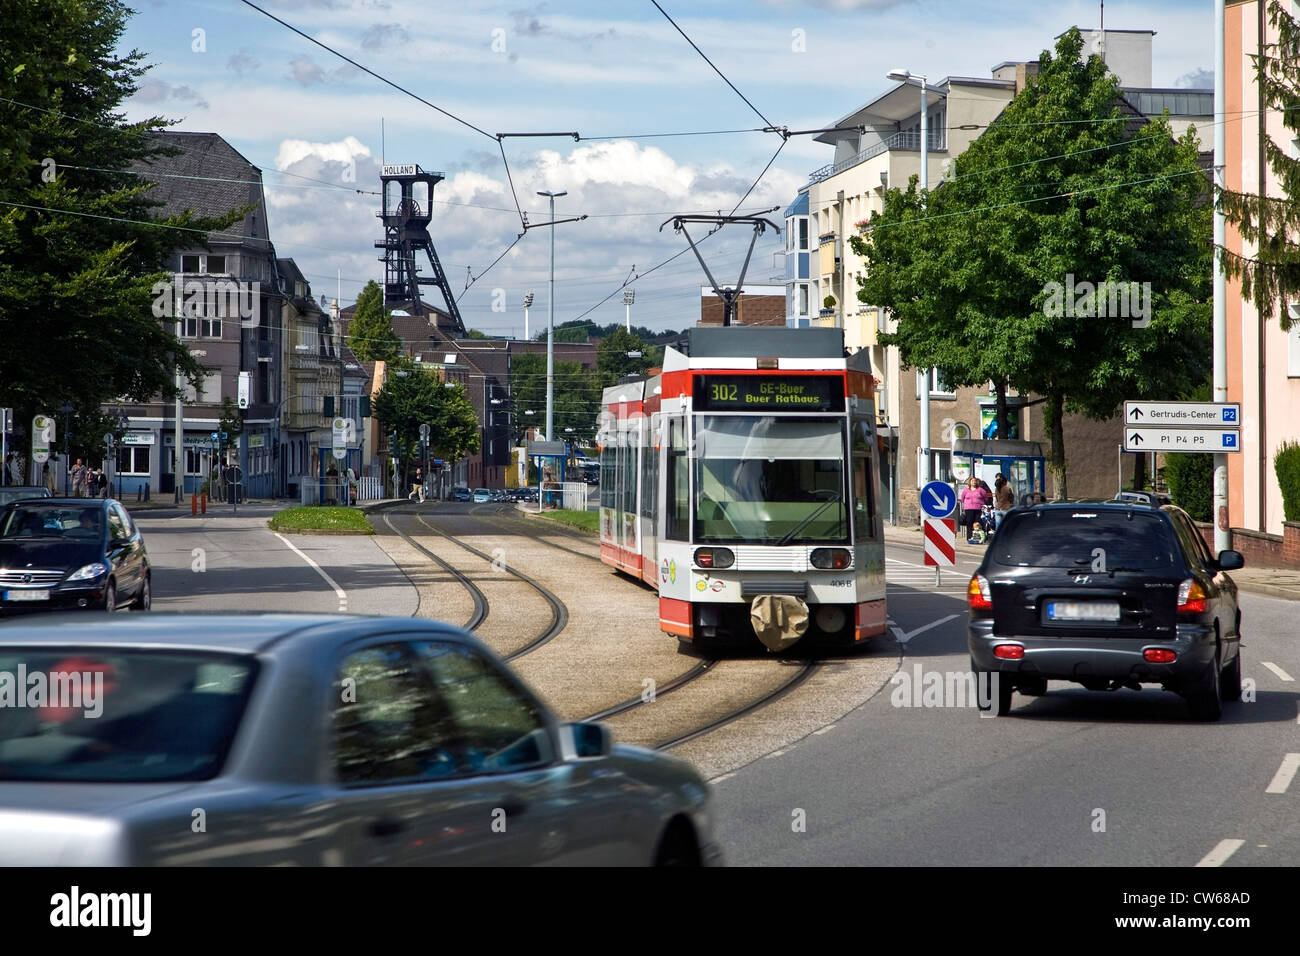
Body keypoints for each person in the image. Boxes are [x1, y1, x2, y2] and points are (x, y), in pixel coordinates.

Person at [960, 476, 987, 544]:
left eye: (975, 481)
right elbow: (962, 498)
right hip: (968, 508)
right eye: (972, 481)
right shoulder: (966, 490)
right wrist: (966, 504)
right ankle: (969, 537)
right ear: (970, 482)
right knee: (969, 522)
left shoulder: (980, 490)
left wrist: (982, 504)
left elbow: (985, 497)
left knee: (978, 523)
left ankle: (979, 538)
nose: (974, 482)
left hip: (978, 508)